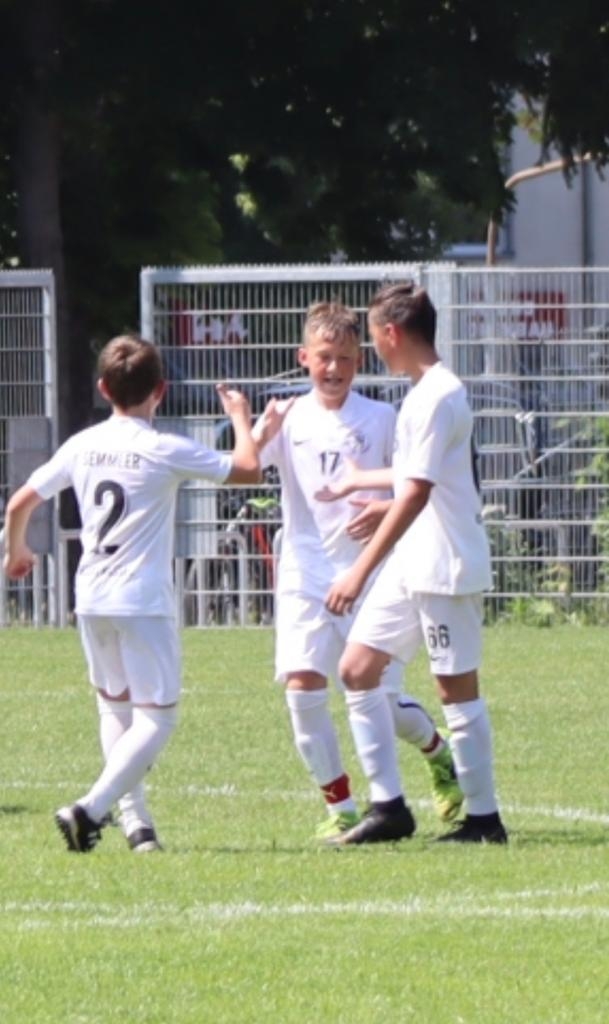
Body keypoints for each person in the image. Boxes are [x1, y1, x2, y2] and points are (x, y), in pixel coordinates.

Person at [2, 333, 260, 853]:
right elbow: (248, 470)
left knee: (114, 710)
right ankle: (89, 809)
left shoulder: (82, 444)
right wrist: (241, 419)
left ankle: (137, 825)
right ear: (160, 391)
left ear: (103, 388)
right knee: (157, 717)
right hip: (141, 599)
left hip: (92, 596)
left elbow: (18, 504)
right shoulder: (163, 448)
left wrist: (16, 551)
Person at [252, 301, 463, 841]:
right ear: (303, 357)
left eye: (345, 358)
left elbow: (413, 481)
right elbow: (243, 469)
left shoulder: (382, 417)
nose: (334, 368)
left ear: (360, 360)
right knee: (302, 688)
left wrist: (381, 507)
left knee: (378, 698)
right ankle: (342, 808)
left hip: (369, 573)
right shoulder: (287, 416)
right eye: (324, 357)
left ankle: (437, 751)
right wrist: (252, 430)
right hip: (303, 572)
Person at [321, 282, 507, 845]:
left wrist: (359, 570)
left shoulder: (438, 395)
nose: (373, 348)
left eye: (373, 336)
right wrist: (377, 497)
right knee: (357, 668)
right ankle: (389, 809)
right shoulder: (423, 393)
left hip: (446, 564)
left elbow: (418, 492)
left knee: (456, 690)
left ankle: (484, 820)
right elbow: (417, 481)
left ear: (392, 333)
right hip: (413, 559)